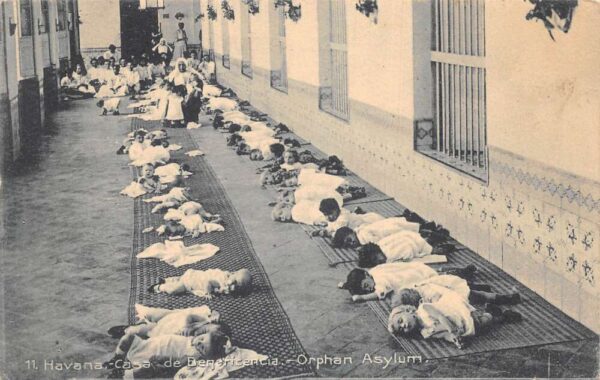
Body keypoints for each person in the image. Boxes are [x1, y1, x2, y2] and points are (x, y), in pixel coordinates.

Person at [387, 282, 522, 349]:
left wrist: (451, 329)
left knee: (482, 322)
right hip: (460, 328)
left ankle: (496, 315)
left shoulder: (424, 309)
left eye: (400, 321)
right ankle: (494, 313)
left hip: (455, 314)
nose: (404, 325)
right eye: (402, 328)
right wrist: (454, 339)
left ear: (408, 311)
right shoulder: (425, 333)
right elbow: (444, 336)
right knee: (479, 328)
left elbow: (441, 317)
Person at [148, 268, 253, 299]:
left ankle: (167, 280)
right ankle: (160, 287)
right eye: (234, 282)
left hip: (193, 274)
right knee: (174, 290)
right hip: (191, 282)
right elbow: (208, 282)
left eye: (237, 286)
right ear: (232, 273)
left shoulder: (227, 276)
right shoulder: (221, 280)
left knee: (180, 278)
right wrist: (208, 293)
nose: (232, 286)